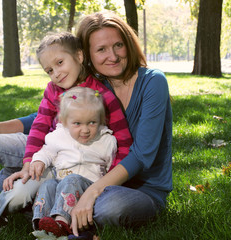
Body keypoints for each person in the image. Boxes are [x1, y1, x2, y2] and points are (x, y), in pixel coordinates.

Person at [0, 31, 132, 233]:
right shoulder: (53, 93)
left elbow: (122, 146)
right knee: (38, 187)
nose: (56, 73)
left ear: (80, 57)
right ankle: (38, 222)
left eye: (60, 63)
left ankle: (60, 221)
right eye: (49, 70)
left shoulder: (104, 97)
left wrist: (106, 184)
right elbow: (40, 128)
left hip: (89, 181)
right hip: (58, 171)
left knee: (69, 184)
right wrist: (30, 161)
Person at [66, 11, 173, 237]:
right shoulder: (95, 87)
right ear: (87, 56)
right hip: (94, 177)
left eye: (118, 45)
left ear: (129, 45)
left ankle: (65, 210)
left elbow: (143, 155)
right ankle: (69, 210)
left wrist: (93, 192)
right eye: (101, 49)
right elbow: (47, 117)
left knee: (110, 207)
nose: (113, 56)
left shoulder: (153, 82)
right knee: (9, 176)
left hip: (142, 191)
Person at [30, 87, 117, 238]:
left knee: (72, 179)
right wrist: (39, 160)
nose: (85, 130)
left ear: (101, 120)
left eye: (92, 123)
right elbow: (47, 151)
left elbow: (112, 169)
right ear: (64, 122)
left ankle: (61, 223)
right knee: (48, 185)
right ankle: (42, 224)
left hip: (88, 190)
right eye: (77, 123)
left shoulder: (106, 141)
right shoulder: (59, 136)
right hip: (61, 186)